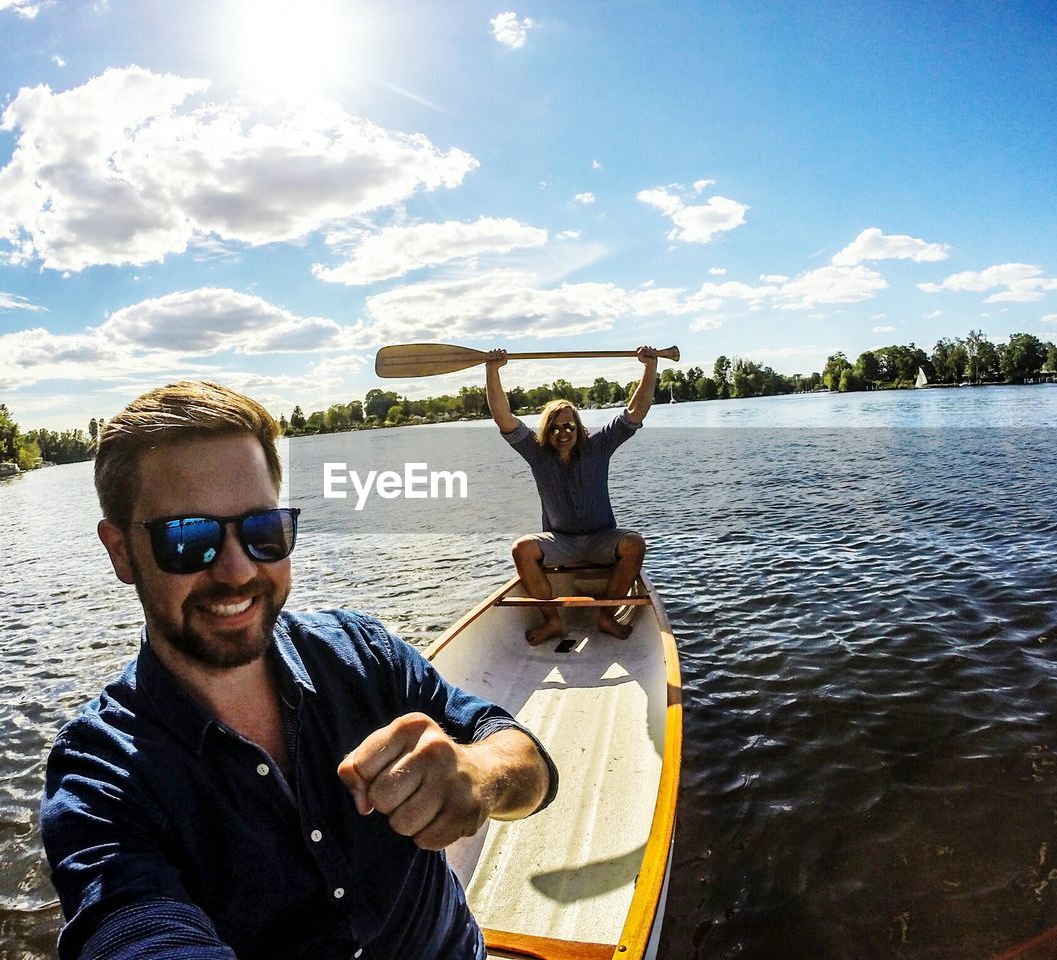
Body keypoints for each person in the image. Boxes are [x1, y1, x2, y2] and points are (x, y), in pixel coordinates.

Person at [40, 381, 556, 960]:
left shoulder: (363, 655)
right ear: (119, 552)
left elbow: (530, 768)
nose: (237, 572)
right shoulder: (102, 775)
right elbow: (131, 932)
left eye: (263, 530)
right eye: (188, 539)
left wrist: (479, 772)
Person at [485, 347, 659, 645]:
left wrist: (649, 366)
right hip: (560, 542)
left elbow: (635, 412)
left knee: (634, 543)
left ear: (578, 427)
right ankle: (552, 622)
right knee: (522, 548)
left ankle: (607, 616)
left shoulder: (599, 446)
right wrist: (493, 369)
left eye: (568, 425)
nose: (562, 432)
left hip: (602, 537)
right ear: (547, 431)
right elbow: (504, 418)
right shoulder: (536, 453)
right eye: (554, 427)